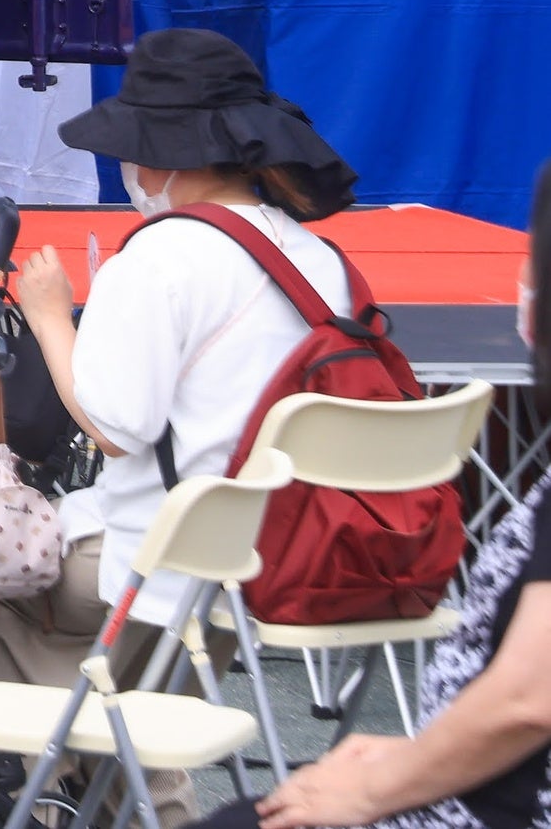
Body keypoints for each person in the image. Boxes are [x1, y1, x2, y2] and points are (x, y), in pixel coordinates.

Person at [0, 30, 372, 829]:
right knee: (133, 677)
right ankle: (130, 785)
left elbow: (115, 429)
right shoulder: (321, 259)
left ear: (159, 158)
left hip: (163, 563)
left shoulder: (157, 259)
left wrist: (50, 318)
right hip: (269, 554)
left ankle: (35, 795)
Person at [221, 156, 551, 829]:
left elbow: (530, 699)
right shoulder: (327, 266)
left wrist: (381, 787)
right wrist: (417, 757)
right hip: (470, 764)